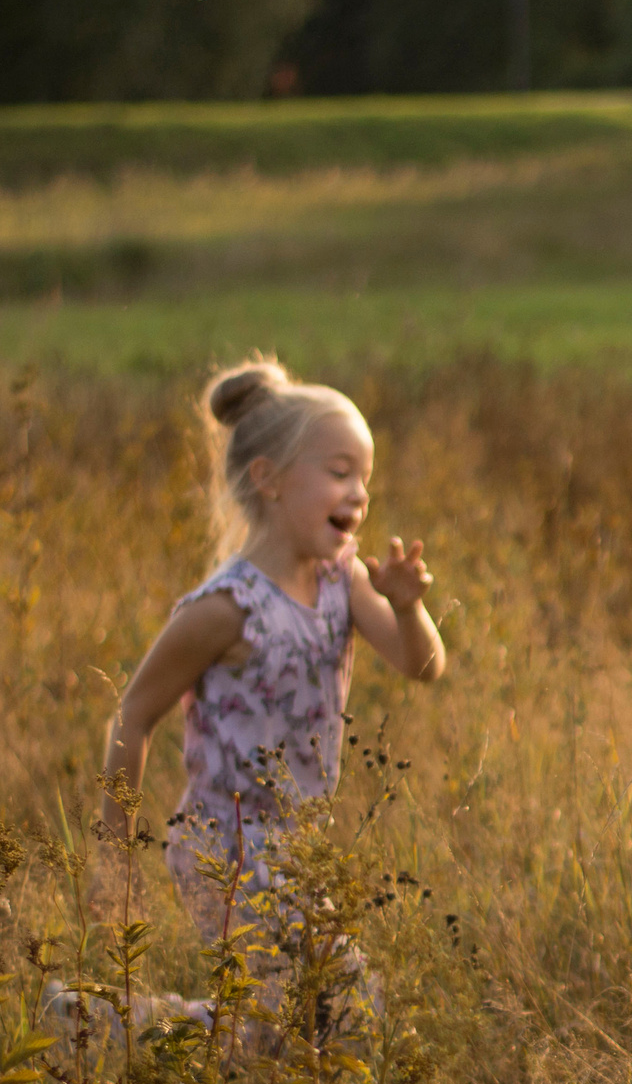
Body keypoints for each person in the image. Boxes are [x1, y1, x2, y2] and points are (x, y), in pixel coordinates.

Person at [101, 357, 446, 949]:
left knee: (326, 1022)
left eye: (365, 478)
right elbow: (131, 715)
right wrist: (115, 863)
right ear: (269, 478)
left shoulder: (343, 580)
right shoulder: (224, 609)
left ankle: (98, 1015)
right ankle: (90, 1017)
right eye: (340, 473)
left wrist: (411, 607)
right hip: (224, 850)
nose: (359, 494)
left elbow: (423, 667)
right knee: (302, 1021)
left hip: (297, 847)